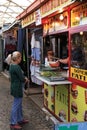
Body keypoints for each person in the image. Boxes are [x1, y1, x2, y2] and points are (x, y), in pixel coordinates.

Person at [9, 51, 29, 129]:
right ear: (17, 58)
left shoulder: (11, 65)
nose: (21, 59)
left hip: (15, 86)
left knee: (19, 104)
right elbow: (21, 78)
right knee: (16, 105)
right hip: (17, 87)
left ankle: (20, 119)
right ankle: (13, 122)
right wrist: (26, 79)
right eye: (20, 57)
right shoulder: (16, 67)